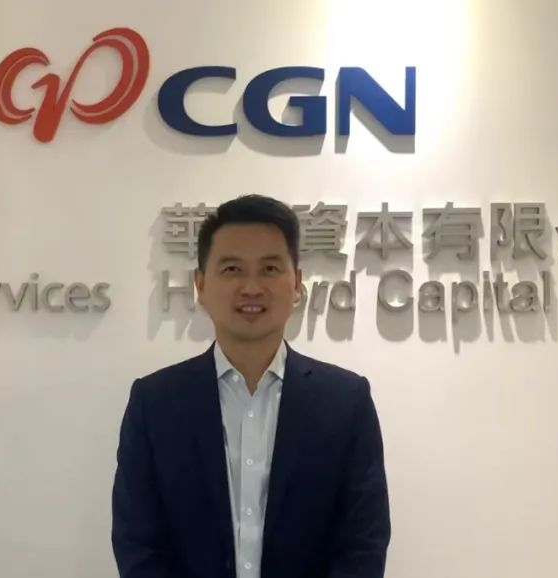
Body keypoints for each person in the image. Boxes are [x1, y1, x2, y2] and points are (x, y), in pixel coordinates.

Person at [112, 194, 390, 578]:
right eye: (232, 269)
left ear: (296, 283)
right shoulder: (155, 403)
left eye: (270, 268)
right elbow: (138, 543)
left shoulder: (346, 402)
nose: (251, 287)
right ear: (200, 284)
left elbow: (363, 544)